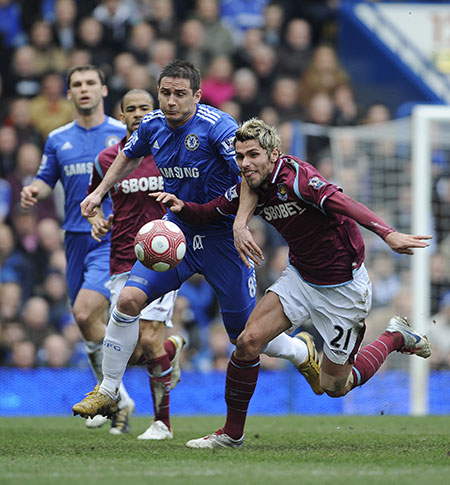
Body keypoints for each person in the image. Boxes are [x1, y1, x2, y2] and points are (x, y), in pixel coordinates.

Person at [150, 118, 432, 448]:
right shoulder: (250, 185)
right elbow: (213, 211)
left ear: (274, 154)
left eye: (253, 155)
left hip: (343, 289)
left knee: (335, 386)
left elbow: (345, 203)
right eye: (240, 156)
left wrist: (388, 233)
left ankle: (395, 336)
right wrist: (183, 207)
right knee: (247, 342)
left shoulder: (299, 179)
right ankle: (231, 434)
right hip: (299, 278)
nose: (245, 163)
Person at [72, 60, 322, 423]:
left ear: (197, 96)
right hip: (177, 233)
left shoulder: (218, 129)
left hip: (223, 239)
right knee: (127, 300)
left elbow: (249, 178)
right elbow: (128, 156)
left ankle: (301, 352)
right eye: (165, 93)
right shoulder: (153, 125)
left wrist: (240, 224)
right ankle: (109, 390)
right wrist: (99, 193)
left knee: (245, 337)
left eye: (179, 94)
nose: (170, 101)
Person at [20, 64, 134, 433]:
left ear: (103, 90)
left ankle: (115, 393)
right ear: (68, 94)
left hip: (109, 237)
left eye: (90, 83)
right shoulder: (57, 138)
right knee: (86, 324)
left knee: (85, 313)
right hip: (73, 240)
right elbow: (44, 177)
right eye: (77, 85)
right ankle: (113, 396)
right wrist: (34, 190)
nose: (84, 89)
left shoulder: (122, 135)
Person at [86, 88, 184, 439]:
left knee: (148, 338)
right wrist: (96, 219)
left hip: (162, 259)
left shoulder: (169, 152)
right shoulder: (108, 159)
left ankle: (162, 423)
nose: (139, 113)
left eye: (145, 107)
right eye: (131, 109)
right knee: (131, 353)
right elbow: (94, 197)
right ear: (122, 115)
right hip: (121, 257)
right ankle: (174, 348)